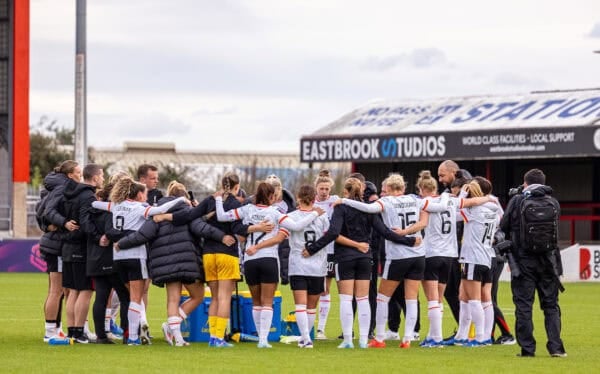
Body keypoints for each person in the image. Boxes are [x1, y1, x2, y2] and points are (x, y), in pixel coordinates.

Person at [153, 173, 273, 348]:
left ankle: (212, 338)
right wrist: (258, 227)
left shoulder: (210, 200)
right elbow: (238, 229)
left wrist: (164, 217)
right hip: (226, 254)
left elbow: (189, 215)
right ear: (237, 187)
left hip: (208, 255)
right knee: (224, 297)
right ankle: (218, 338)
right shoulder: (234, 204)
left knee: (215, 298)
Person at [118, 181, 235, 347]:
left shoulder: (157, 213)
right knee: (198, 295)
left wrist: (121, 243)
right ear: (184, 197)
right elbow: (200, 228)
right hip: (186, 261)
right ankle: (172, 326)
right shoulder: (187, 212)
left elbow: (143, 234)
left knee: (172, 299)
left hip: (164, 263)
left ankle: (177, 338)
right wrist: (221, 236)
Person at [306, 177, 417, 349]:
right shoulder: (368, 210)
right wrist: (409, 241)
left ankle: (348, 340)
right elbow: (385, 232)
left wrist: (312, 248)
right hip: (365, 258)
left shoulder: (341, 207)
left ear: (345, 192)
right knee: (363, 298)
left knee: (345, 299)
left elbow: (333, 233)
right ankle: (364, 340)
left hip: (345, 259)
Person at [215, 182, 324, 348]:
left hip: (250, 260)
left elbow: (222, 216)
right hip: (269, 260)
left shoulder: (247, 209)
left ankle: (260, 337)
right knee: (268, 302)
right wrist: (314, 213)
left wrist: (217, 199)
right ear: (272, 197)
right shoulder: (276, 212)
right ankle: (263, 340)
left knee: (256, 301)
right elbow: (296, 226)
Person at [92, 177, 186, 345]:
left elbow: (95, 205)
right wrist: (181, 199)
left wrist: (94, 199)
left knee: (131, 296)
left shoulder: (115, 206)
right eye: (145, 193)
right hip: (136, 255)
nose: (146, 196)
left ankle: (136, 331)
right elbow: (162, 209)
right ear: (139, 194)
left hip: (118, 257)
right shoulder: (140, 208)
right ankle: (134, 338)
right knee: (136, 297)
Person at [339, 174, 428, 349]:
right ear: (402, 188)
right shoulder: (414, 199)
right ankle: (407, 339)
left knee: (382, 298)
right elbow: (425, 218)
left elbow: (368, 209)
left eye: (383, 189)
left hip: (398, 256)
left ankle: (379, 338)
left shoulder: (386, 202)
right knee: (411, 299)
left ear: (387, 189)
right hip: (418, 254)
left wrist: (344, 201)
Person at [499, 168, 566, 358]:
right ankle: (556, 348)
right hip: (549, 262)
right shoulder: (553, 202)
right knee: (551, 306)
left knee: (524, 306)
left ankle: (528, 350)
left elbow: (503, 227)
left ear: (525, 182)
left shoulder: (517, 201)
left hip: (523, 263)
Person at [455, 177, 501, 347]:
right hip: (488, 257)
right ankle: (467, 335)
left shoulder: (473, 210)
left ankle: (480, 338)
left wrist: (462, 193)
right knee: (474, 297)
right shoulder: (493, 209)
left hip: (473, 257)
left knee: (474, 299)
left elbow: (456, 208)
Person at [86, 172, 131, 344]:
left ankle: (101, 336)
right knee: (125, 296)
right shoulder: (114, 208)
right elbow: (111, 230)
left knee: (101, 297)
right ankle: (128, 334)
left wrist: (98, 237)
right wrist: (129, 235)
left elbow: (88, 226)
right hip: (112, 257)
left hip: (95, 257)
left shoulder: (95, 206)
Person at [38, 160, 80, 342]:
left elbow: (41, 213)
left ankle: (56, 329)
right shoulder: (62, 187)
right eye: (78, 172)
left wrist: (47, 226)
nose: (81, 175)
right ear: (70, 174)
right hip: (56, 245)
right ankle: (50, 332)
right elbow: (47, 212)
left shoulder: (57, 186)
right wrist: (62, 223)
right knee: (56, 290)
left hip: (55, 242)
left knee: (60, 291)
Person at [287, 185, 330, 348]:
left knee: (300, 304)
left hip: (298, 265)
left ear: (298, 197)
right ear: (314, 199)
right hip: (318, 266)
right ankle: (306, 337)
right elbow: (328, 237)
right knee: (311, 306)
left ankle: (305, 338)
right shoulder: (323, 217)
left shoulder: (291, 216)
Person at [437, 160, 472, 329]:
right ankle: (463, 330)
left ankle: (479, 332)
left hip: (465, 250)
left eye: (442, 175)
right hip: (453, 249)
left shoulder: (468, 190)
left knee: (470, 294)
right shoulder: (449, 192)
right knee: (451, 291)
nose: (440, 179)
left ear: (453, 172)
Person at [312, 170, 338, 340]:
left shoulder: (335, 201)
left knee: (325, 288)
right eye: (321, 188)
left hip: (330, 251)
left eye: (327, 188)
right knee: (312, 288)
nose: (324, 192)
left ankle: (320, 329)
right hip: (314, 250)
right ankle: (309, 326)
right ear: (316, 188)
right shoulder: (311, 203)